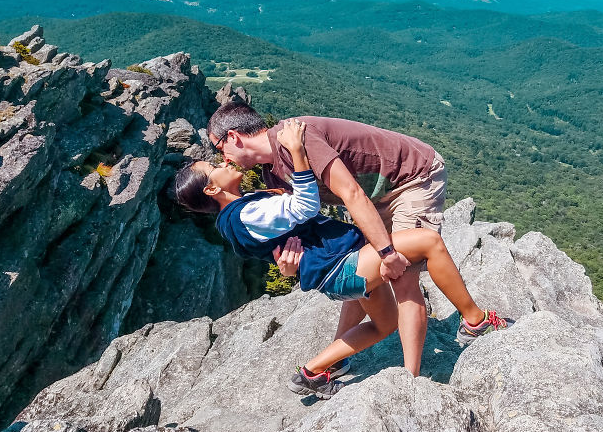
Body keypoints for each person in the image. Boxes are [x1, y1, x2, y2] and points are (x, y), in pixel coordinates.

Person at [176, 119, 508, 398]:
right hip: (342, 266)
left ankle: (314, 371)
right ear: (210, 190)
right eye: (214, 164)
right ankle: (473, 323)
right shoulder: (246, 213)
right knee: (429, 243)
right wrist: (296, 152)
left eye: (219, 153)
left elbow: (271, 238)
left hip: (337, 270)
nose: (223, 161)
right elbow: (305, 205)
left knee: (384, 324)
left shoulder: (238, 215)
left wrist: (288, 268)